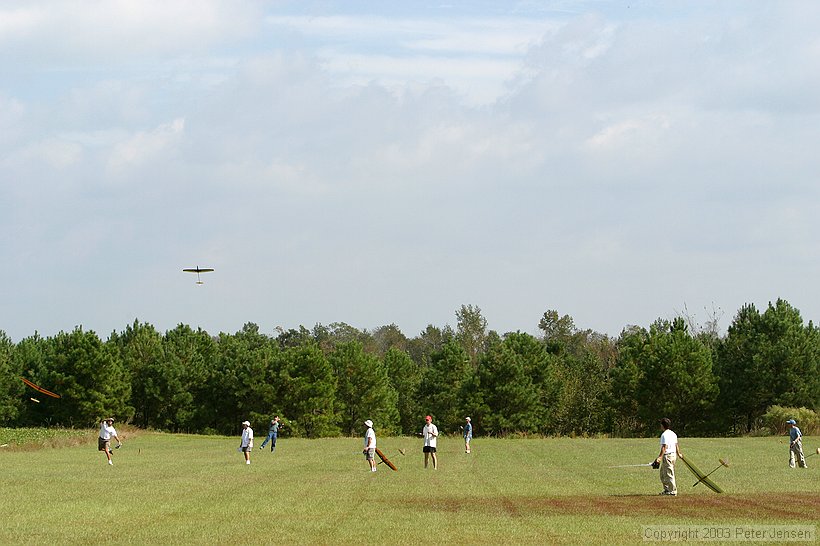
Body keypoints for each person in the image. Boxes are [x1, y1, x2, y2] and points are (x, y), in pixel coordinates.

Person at [654, 417, 682, 496]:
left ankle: (673, 491)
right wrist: (678, 453)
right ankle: (667, 490)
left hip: (668, 456)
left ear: (663, 425)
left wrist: (659, 457)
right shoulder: (673, 434)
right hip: (673, 455)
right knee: (663, 474)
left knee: (669, 474)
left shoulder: (664, 435)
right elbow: (676, 445)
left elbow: (664, 447)